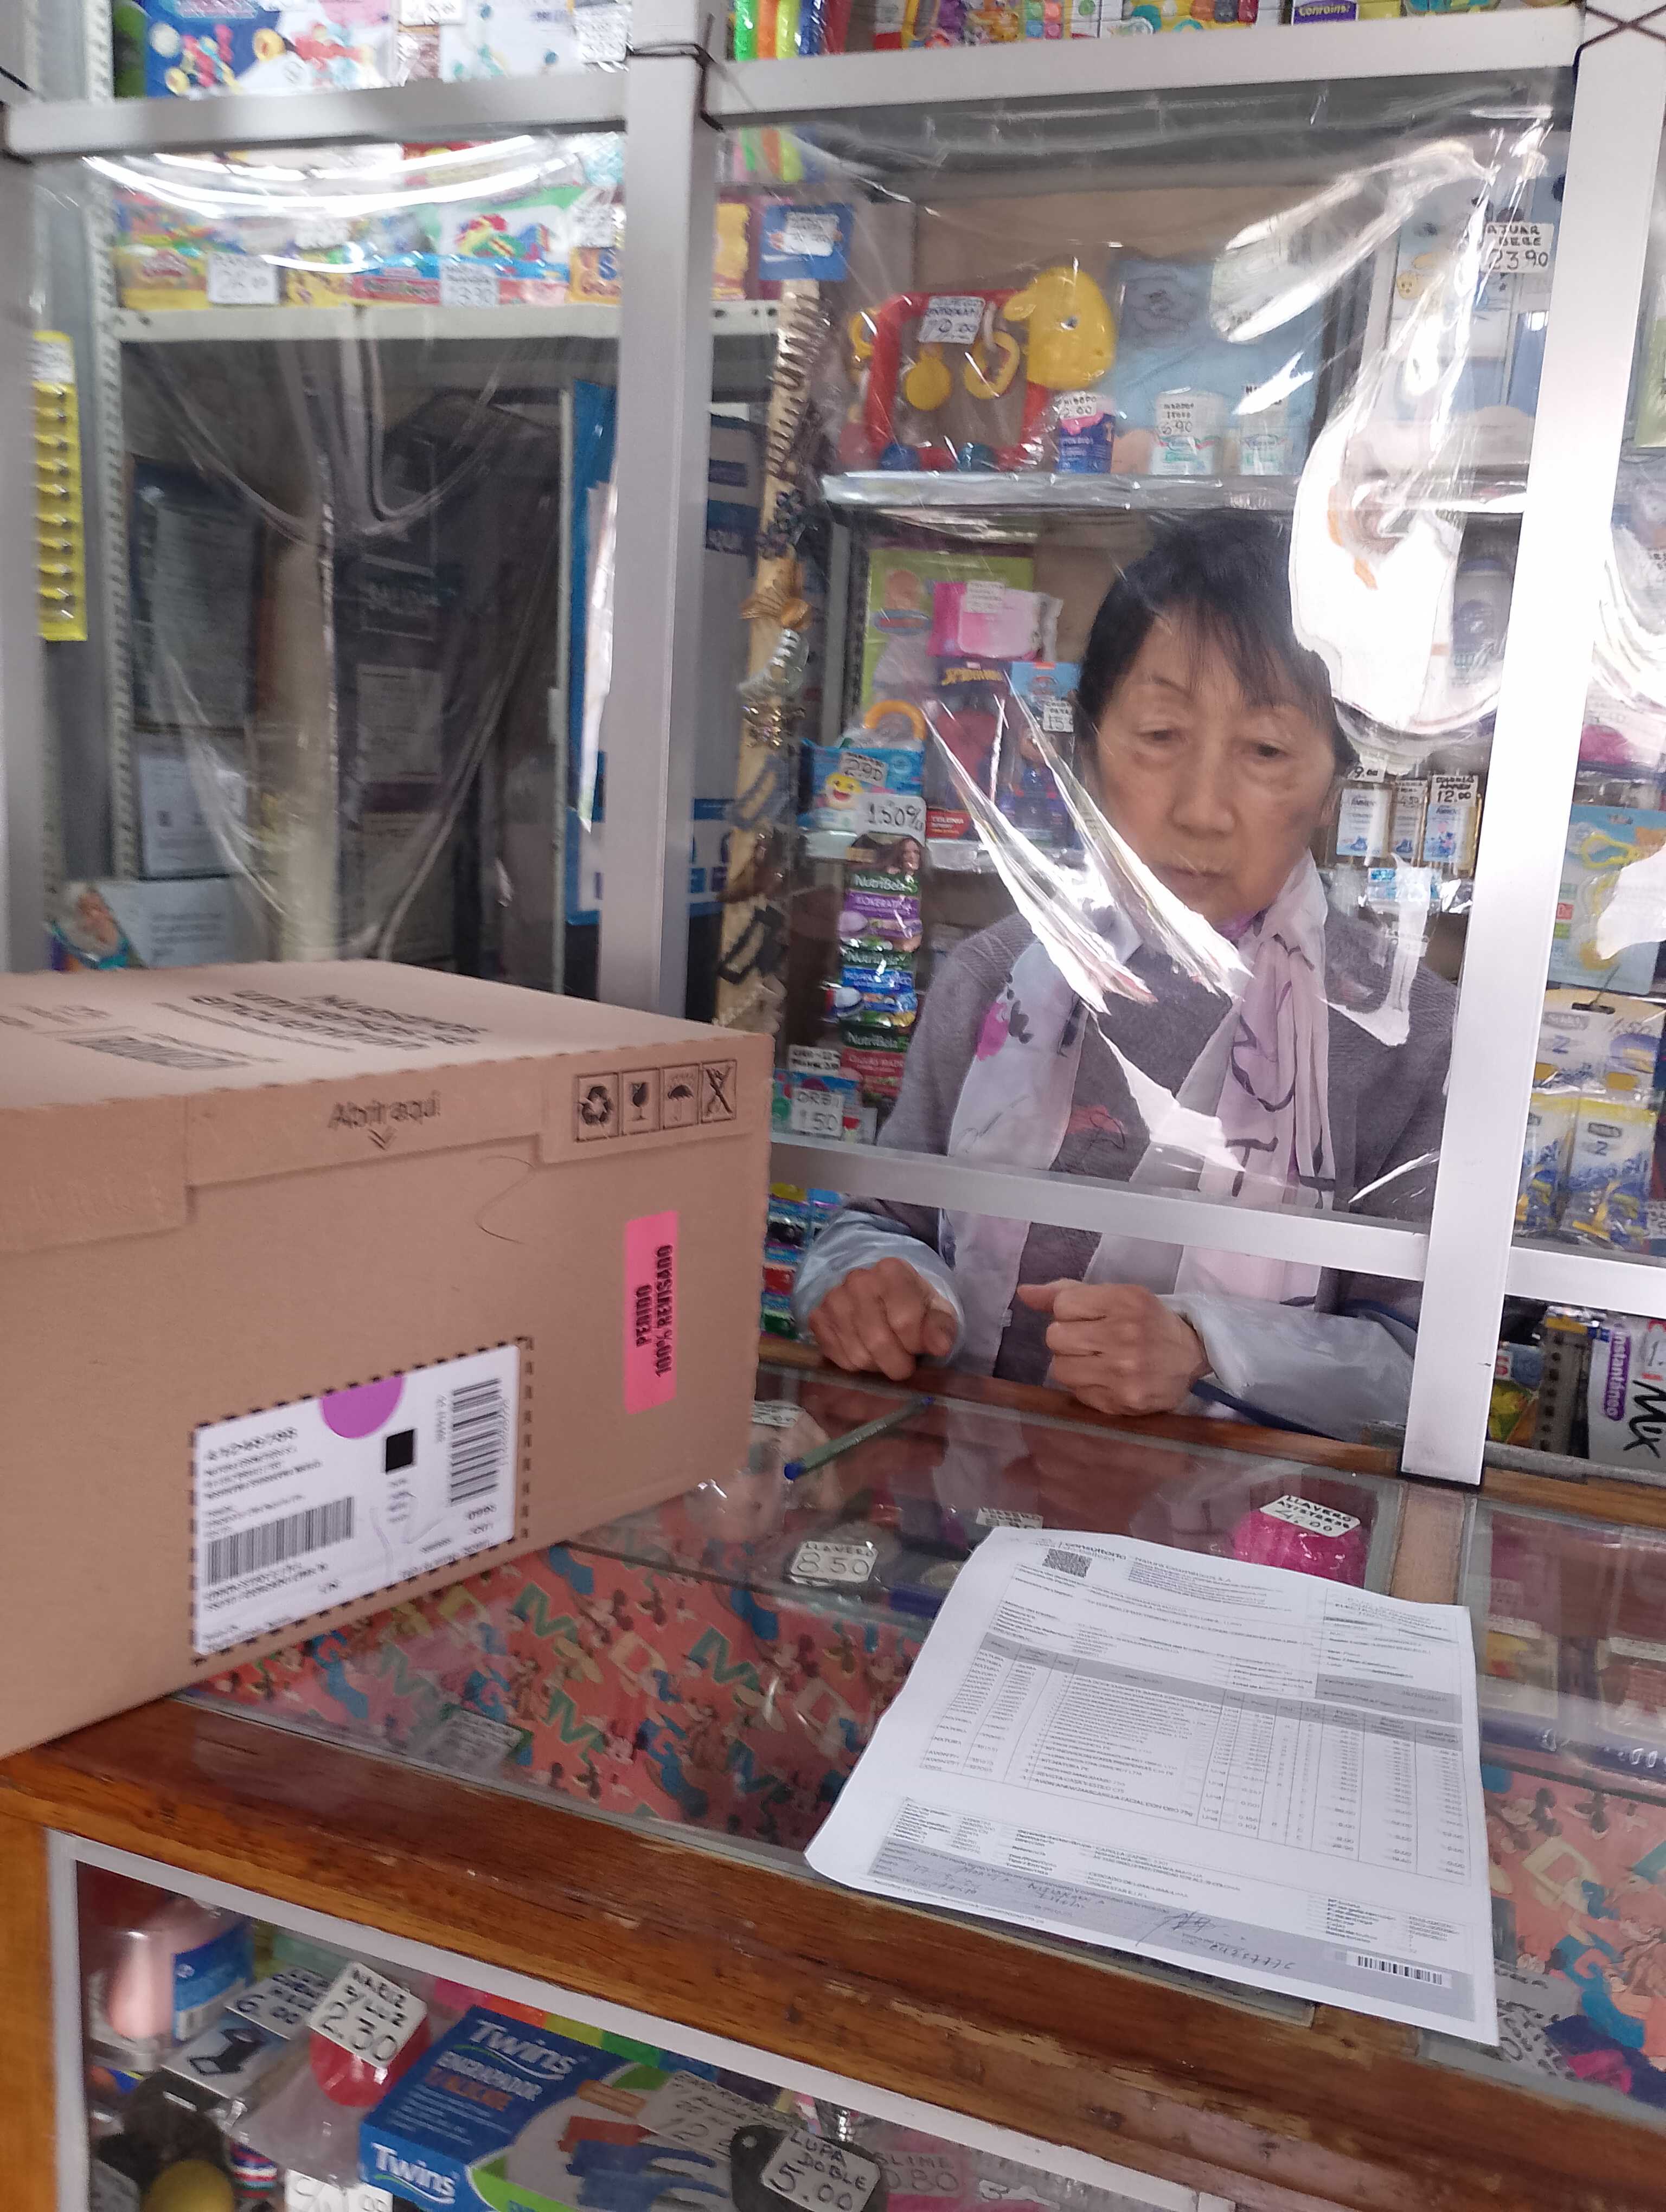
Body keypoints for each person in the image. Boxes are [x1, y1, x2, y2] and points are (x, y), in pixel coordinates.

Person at [794, 515, 1453, 1442]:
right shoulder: (994, 981)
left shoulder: (1403, 1037)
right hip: (971, 1493)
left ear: (1334, 782)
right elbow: (882, 1220)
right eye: (1159, 733)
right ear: (1089, 750)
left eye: (1266, 751)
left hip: (1249, 1521)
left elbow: (1429, 1365)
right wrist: (874, 1285)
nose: (1202, 810)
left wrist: (1208, 1349)